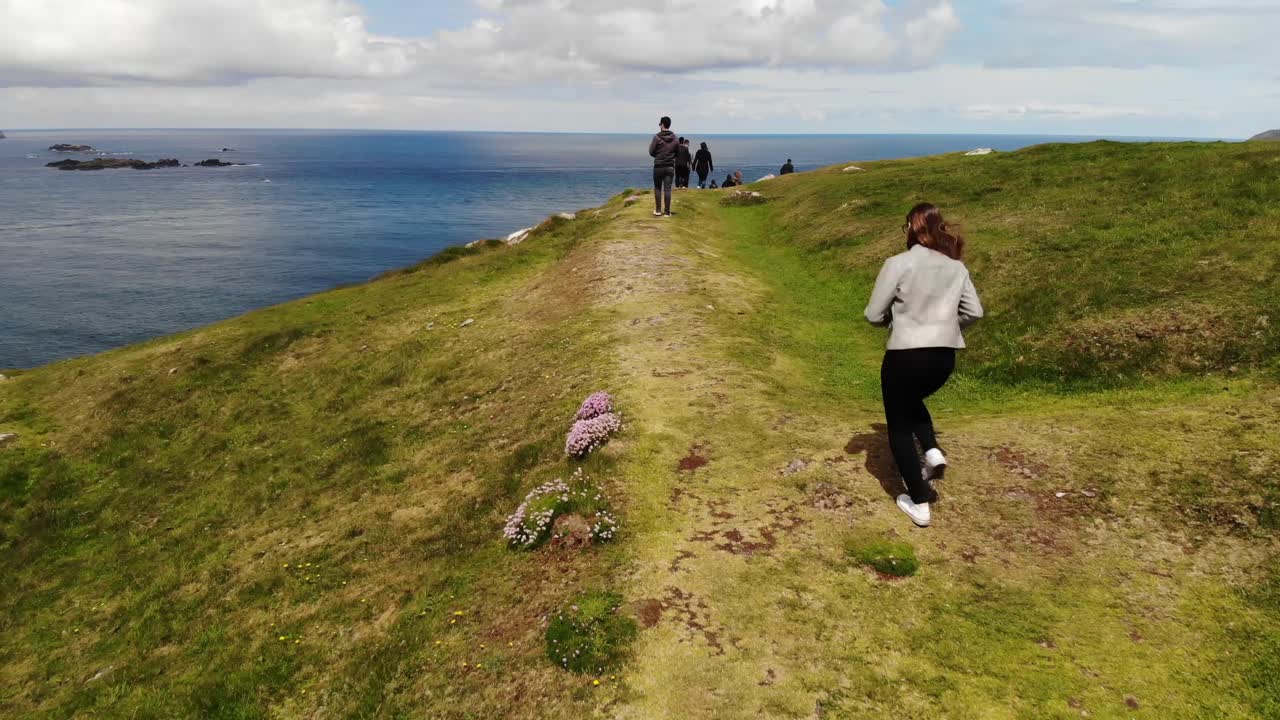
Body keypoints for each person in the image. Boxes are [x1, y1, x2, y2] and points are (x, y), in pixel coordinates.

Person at [864, 203, 983, 528]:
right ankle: (931, 451)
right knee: (911, 400)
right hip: (943, 358)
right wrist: (945, 325)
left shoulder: (897, 264)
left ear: (911, 228)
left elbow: (873, 314)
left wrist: (894, 320)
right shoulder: (956, 267)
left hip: (905, 355)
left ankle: (919, 501)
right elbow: (975, 312)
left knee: (899, 425)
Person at [648, 116, 678, 216]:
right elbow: (677, 152)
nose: (659, 126)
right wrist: (671, 156)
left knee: (657, 188)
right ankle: (667, 212)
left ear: (662, 124)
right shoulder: (675, 138)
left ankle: (658, 210)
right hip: (670, 166)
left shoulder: (657, 137)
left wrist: (658, 156)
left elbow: (651, 151)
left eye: (660, 124)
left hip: (658, 166)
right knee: (667, 189)